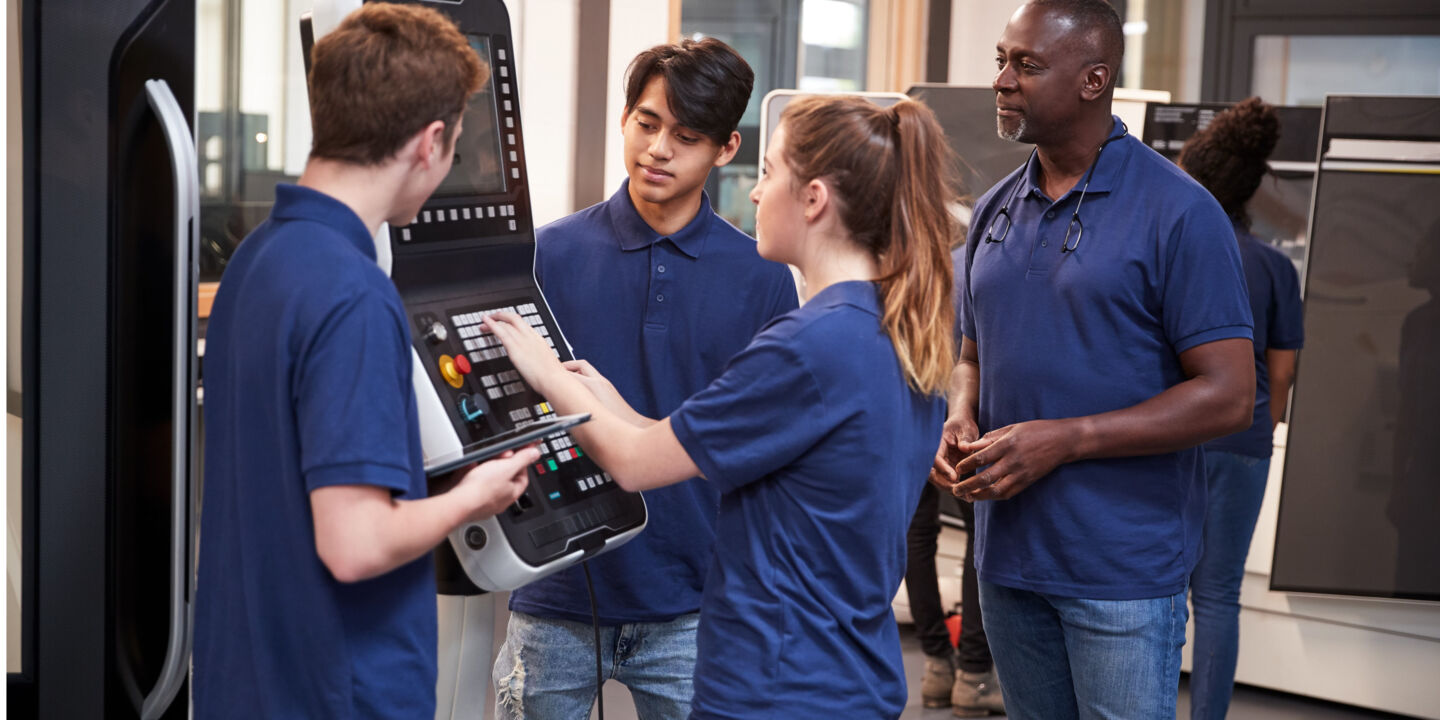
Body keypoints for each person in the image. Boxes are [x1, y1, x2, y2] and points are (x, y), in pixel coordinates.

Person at [486, 94, 955, 718]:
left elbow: (632, 463)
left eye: (768, 173)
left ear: (812, 198)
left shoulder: (808, 347)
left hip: (779, 682)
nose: (756, 195)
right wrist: (611, 401)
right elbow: (711, 444)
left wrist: (545, 371)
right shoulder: (883, 328)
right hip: (843, 673)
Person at [193, 5, 538, 717]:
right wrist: (477, 495)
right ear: (430, 142)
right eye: (456, 149)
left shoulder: (257, 259)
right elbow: (354, 545)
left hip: (249, 678)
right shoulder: (355, 297)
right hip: (338, 691)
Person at [932, 1, 1258, 718]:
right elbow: (970, 354)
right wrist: (957, 415)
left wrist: (1069, 439)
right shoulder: (994, 210)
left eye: (1027, 64)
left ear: (1094, 80)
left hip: (1121, 574)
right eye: (1001, 60)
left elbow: (1230, 395)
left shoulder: (1179, 211)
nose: (1002, 81)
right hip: (1007, 562)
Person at [491, 38, 798, 720]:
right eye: (647, 123)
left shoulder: (765, 275)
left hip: (696, 603)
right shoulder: (547, 254)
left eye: (686, 136)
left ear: (725, 149)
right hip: (554, 591)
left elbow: (766, 450)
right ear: (625, 118)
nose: (659, 149)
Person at [1177, 97, 1304, 720]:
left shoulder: (1176, 245)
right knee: (1220, 594)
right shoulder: (1276, 266)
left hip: (1175, 434)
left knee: (1164, 587)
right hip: (1245, 437)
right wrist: (1263, 424)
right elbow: (1281, 370)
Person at [905, 486, 1004, 717]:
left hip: (903, 448)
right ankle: (974, 676)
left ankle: (937, 667)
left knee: (917, 527)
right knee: (980, 521)